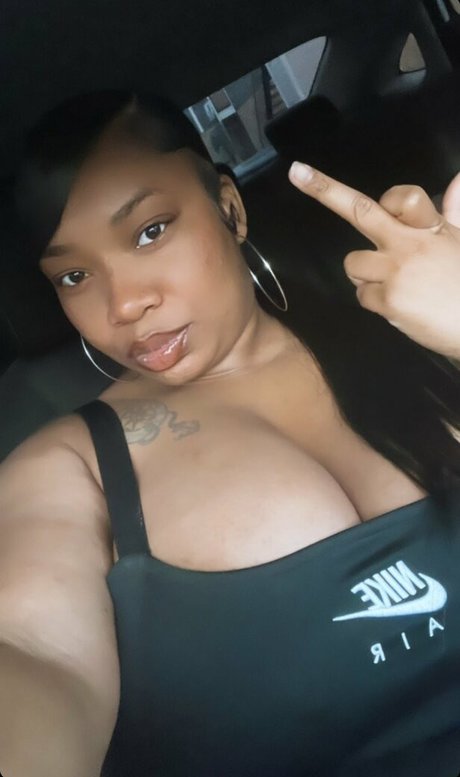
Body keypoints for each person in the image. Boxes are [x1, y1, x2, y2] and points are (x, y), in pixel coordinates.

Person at [0, 90, 459, 777]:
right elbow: (34, 651)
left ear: (230, 208)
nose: (124, 303)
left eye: (150, 231)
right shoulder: (70, 468)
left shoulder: (415, 320)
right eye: (74, 275)